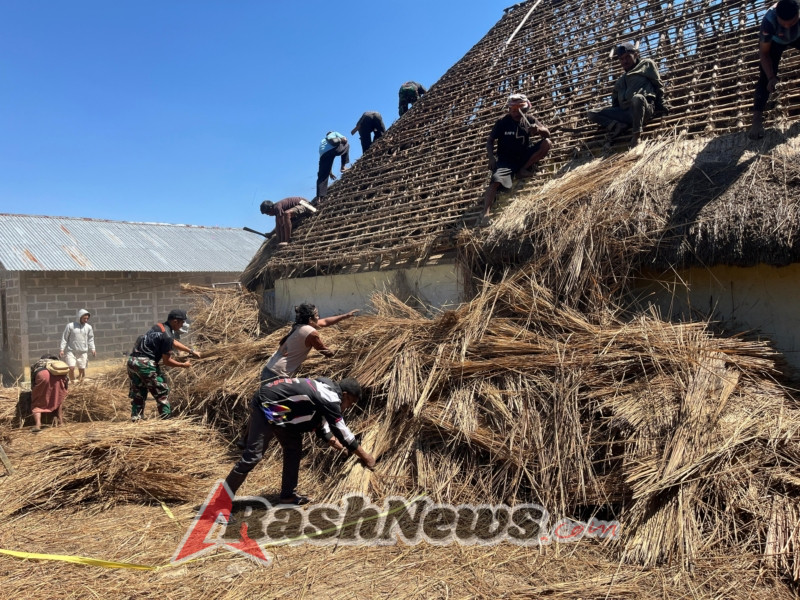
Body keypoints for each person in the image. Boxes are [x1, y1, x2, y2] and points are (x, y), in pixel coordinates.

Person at [224, 376, 377, 504]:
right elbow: (343, 432)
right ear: (345, 395)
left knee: (293, 447)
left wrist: (341, 449)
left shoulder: (325, 389)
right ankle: (220, 504)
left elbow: (323, 429)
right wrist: (366, 457)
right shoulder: (330, 398)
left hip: (282, 410)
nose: (349, 407)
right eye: (351, 402)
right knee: (253, 456)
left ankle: (287, 496)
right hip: (268, 405)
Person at [481, 93, 552, 224]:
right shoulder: (502, 122)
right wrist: (491, 158)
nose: (517, 112)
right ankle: (485, 213)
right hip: (506, 160)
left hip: (523, 155)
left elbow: (547, 133)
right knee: (496, 181)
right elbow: (490, 141)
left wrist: (538, 129)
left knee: (546, 143)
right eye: (513, 109)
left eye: (520, 109)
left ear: (526, 109)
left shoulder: (529, 119)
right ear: (509, 109)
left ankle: (522, 170)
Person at [587, 42, 666, 146]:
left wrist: (662, 104)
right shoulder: (620, 81)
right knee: (592, 113)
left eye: (627, 57)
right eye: (621, 59)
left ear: (636, 55)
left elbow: (658, 84)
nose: (624, 61)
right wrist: (613, 116)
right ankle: (617, 126)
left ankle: (636, 135)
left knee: (637, 98)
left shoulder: (646, 64)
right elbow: (615, 103)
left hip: (643, 108)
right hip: (625, 112)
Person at [260, 303, 359, 382]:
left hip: (269, 369)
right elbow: (326, 351)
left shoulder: (299, 326)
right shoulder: (311, 333)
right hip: (278, 375)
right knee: (281, 406)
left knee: (270, 405)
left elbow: (324, 322)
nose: (318, 317)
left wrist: (345, 316)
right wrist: (346, 349)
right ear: (310, 320)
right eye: (316, 315)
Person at [127, 322, 201, 421]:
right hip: (145, 364)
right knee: (161, 392)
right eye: (181, 323)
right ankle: (166, 419)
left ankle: (136, 418)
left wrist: (191, 351)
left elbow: (173, 342)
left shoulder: (157, 328)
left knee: (138, 391)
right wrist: (183, 365)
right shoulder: (167, 336)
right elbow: (167, 361)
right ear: (175, 322)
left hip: (132, 362)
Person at [749, 0, 800, 139]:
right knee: (765, 77)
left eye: (792, 23)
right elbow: (764, 53)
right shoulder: (769, 22)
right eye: (784, 24)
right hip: (776, 42)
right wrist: (771, 77)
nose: (788, 27)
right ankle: (757, 120)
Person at [29, 356, 69, 433]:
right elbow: (66, 382)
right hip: (59, 376)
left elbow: (33, 383)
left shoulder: (38, 364)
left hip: (43, 374)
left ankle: (38, 424)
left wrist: (35, 391)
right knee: (58, 399)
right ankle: (61, 422)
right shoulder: (59, 365)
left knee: (37, 401)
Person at [59, 308, 96, 382]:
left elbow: (90, 339)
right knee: (71, 368)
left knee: (82, 369)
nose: (86, 320)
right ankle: (72, 382)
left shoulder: (88, 327)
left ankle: (80, 381)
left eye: (87, 318)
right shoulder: (70, 326)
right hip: (71, 351)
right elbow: (65, 338)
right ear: (80, 317)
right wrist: (62, 349)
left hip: (83, 351)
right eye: (84, 318)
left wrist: (93, 349)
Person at [316, 132, 350, 199]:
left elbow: (328, 158)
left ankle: (320, 197)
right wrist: (343, 140)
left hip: (323, 155)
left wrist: (330, 173)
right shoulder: (334, 133)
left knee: (322, 176)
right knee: (347, 145)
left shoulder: (323, 141)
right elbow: (345, 139)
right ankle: (343, 167)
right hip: (334, 149)